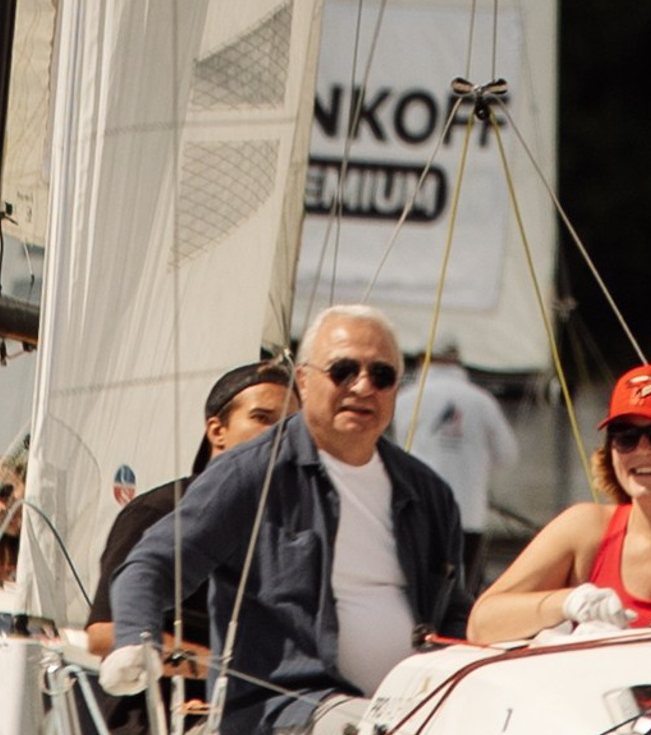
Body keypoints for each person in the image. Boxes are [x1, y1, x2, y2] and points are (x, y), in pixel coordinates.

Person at [100, 306, 462, 735]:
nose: (363, 386)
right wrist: (133, 641)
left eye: (382, 376)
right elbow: (153, 563)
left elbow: (455, 611)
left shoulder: (429, 493)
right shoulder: (250, 473)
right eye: (343, 370)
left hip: (415, 703)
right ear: (304, 381)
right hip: (284, 713)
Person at [84, 362, 294, 725]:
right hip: (158, 720)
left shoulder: (292, 528)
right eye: (262, 418)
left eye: (291, 427)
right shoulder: (159, 511)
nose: (278, 435)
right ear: (217, 429)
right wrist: (219, 667)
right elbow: (104, 635)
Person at [466, 363, 651, 640]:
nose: (642, 450)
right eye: (625, 437)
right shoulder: (585, 529)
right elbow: (481, 623)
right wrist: (569, 603)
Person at [392, 341, 516, 594]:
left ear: (422, 359)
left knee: (421, 594)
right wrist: (476, 470)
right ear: (459, 359)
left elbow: (394, 454)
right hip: (469, 515)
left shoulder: (405, 399)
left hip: (420, 515)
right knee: (463, 595)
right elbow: (508, 455)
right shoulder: (482, 401)